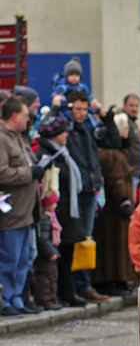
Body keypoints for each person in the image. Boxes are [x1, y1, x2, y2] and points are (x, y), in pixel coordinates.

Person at [35, 111, 87, 307]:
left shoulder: (62, 152)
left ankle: (67, 292)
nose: (67, 135)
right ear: (55, 134)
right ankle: (61, 294)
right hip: (56, 213)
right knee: (57, 256)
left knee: (68, 254)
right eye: (64, 132)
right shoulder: (45, 154)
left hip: (68, 211)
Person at [0, 96, 42, 315]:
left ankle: (17, 297)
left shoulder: (18, 137)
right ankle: (5, 300)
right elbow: (2, 172)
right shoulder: (2, 139)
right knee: (9, 258)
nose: (29, 119)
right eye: (26, 115)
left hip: (26, 209)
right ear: (14, 115)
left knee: (23, 259)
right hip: (11, 210)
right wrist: (29, 173)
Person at [65, 92, 109, 303]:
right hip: (76, 192)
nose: (81, 114)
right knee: (76, 238)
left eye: (84, 109)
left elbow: (112, 140)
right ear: (69, 108)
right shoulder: (66, 128)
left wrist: (102, 114)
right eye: (77, 109)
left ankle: (84, 285)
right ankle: (78, 286)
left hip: (91, 190)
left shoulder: (88, 129)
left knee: (86, 239)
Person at [92, 112, 135, 296]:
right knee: (115, 246)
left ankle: (111, 280)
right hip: (114, 210)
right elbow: (117, 180)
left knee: (106, 245)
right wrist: (124, 202)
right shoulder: (112, 155)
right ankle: (113, 280)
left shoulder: (100, 153)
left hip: (105, 209)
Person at [121, 93, 140, 193]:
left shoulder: (132, 122)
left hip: (135, 171)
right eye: (131, 105)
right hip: (128, 171)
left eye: (136, 106)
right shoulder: (123, 121)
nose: (134, 108)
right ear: (124, 106)